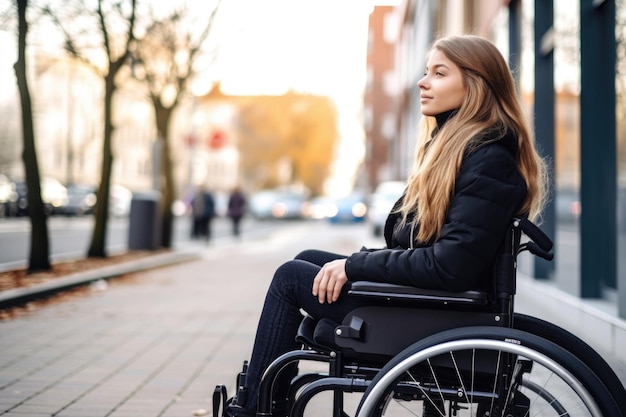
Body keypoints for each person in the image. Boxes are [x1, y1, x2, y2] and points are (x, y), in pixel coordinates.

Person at [222, 34, 547, 417]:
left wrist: (355, 265)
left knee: (292, 277)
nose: (423, 82)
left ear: (474, 85)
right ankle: (265, 402)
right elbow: (419, 241)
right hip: (436, 304)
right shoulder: (463, 152)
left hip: (441, 314)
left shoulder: (487, 160)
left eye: (439, 74)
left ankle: (253, 410)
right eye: (426, 72)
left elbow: (449, 265)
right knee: (307, 258)